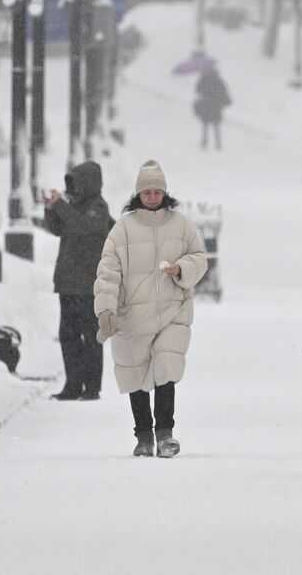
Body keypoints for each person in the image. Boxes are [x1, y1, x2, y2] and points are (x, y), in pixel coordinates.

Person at [94, 160, 208, 458]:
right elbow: (108, 271)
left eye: (158, 192)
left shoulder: (180, 224)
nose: (153, 197)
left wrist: (181, 268)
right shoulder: (123, 229)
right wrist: (106, 308)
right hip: (132, 314)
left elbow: (199, 257)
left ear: (165, 192)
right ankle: (143, 435)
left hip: (173, 311)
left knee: (166, 369)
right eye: (148, 192)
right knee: (136, 372)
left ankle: (166, 433)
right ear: (139, 194)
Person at [43, 161, 115, 400]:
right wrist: (50, 209)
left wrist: (61, 206)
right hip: (68, 282)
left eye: (76, 182)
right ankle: (72, 385)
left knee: (91, 335)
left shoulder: (98, 208)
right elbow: (58, 229)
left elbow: (83, 227)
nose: (73, 187)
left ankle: (92, 387)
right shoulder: (73, 206)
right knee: (69, 335)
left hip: (88, 284)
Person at [193, 64, 232, 150]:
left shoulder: (204, 79)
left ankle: (205, 141)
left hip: (206, 104)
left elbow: (197, 90)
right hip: (216, 105)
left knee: (205, 124)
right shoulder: (218, 80)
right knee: (216, 125)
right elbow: (224, 91)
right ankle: (217, 143)